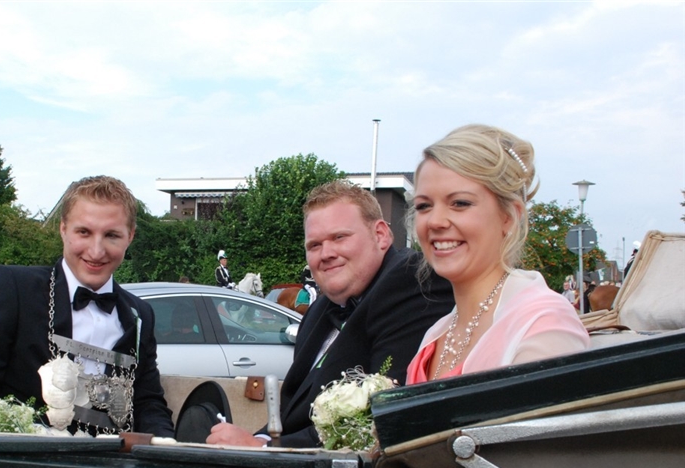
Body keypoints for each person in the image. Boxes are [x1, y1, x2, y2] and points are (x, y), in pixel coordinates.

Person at [207, 180, 454, 448]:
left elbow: (378, 422)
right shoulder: (318, 312)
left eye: (340, 237)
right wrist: (259, 438)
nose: (326, 254)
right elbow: (292, 415)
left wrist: (263, 449)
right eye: (314, 245)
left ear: (381, 235)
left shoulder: (411, 283)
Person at [0, 176, 174, 438]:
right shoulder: (12, 288)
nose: (96, 252)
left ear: (130, 236)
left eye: (111, 235)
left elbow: (147, 403)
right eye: (83, 232)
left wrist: (166, 446)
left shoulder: (140, 314)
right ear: (63, 229)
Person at [405, 124, 590, 385]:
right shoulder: (436, 335)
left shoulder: (542, 323)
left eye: (460, 203)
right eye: (424, 206)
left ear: (509, 216)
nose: (435, 221)